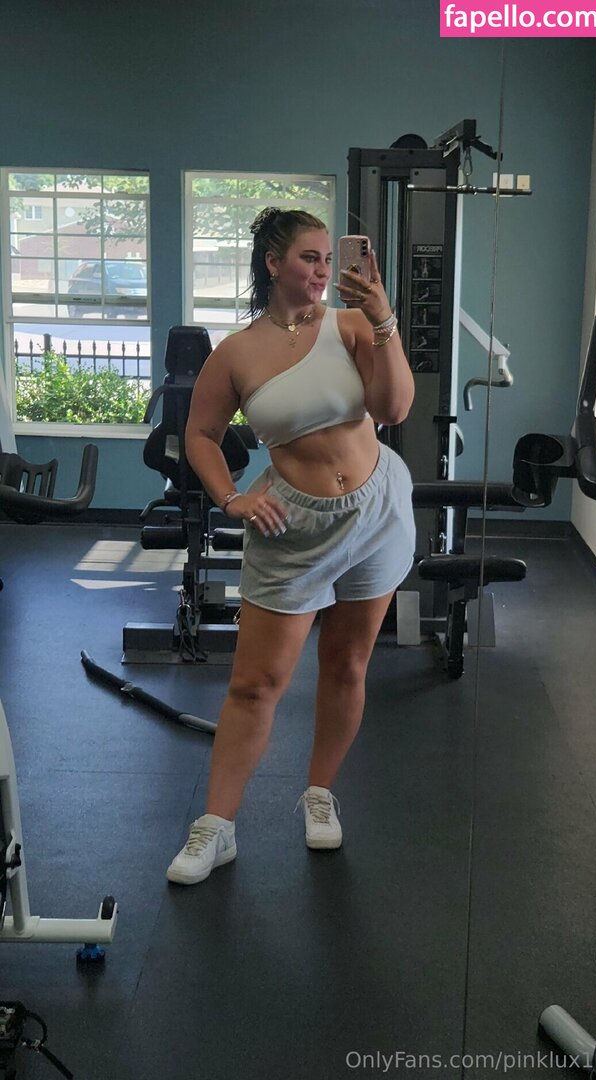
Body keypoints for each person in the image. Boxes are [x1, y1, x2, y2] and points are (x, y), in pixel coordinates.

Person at [166, 207, 416, 885]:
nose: (322, 271)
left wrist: (384, 318)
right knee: (256, 684)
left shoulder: (354, 325)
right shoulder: (236, 353)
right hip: (291, 526)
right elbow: (200, 436)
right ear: (273, 263)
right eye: (309, 258)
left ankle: (320, 793)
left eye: (328, 259)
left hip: (377, 511)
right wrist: (232, 498)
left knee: (348, 666)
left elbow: (393, 410)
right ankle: (216, 827)